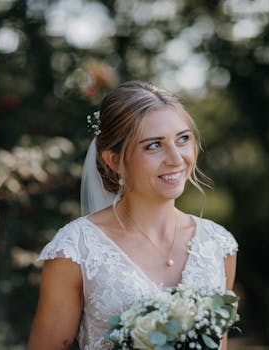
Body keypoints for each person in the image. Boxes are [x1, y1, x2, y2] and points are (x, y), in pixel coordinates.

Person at [28, 81, 238, 350]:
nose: (176, 158)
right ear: (113, 160)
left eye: (183, 139)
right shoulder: (76, 250)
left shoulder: (219, 246)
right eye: (154, 145)